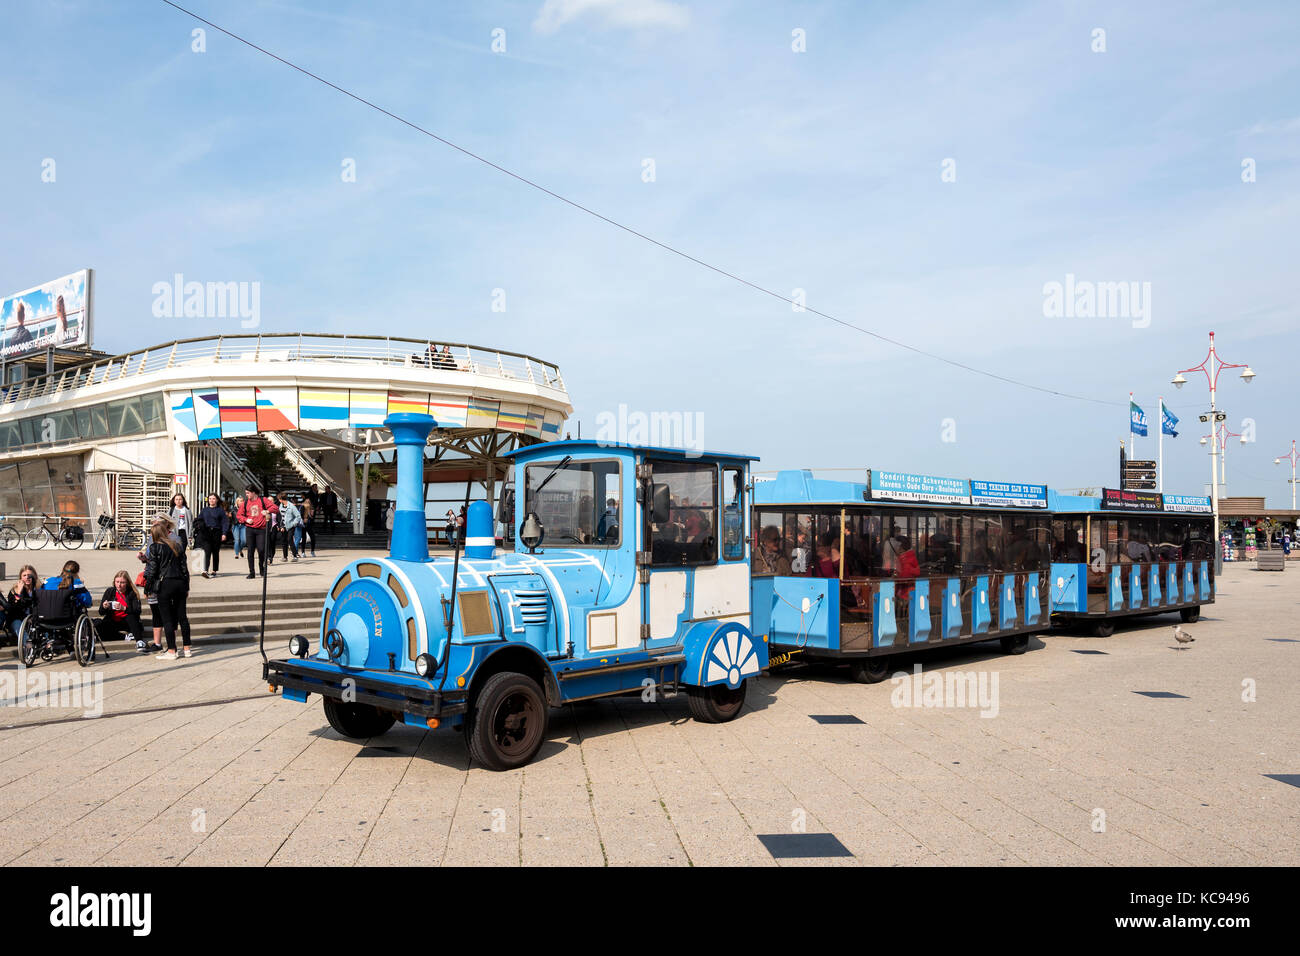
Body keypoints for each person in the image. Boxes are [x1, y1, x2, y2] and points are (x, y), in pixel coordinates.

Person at [144, 525, 191, 659]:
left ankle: (172, 650)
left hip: (165, 584)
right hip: (180, 582)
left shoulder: (155, 547)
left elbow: (153, 570)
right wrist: (187, 586)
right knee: (182, 616)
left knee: (167, 618)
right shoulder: (177, 546)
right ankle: (187, 648)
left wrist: (148, 588)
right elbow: (184, 568)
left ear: (154, 535)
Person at [97, 570, 147, 650]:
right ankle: (125, 637)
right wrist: (104, 607)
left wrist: (124, 608)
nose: (119, 585)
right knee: (101, 628)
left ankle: (139, 641)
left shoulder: (132, 593)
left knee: (131, 616)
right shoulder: (110, 591)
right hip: (114, 620)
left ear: (127, 583)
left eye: (122, 582)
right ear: (114, 582)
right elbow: (101, 612)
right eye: (117, 582)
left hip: (128, 622)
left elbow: (137, 611)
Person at [237, 487, 276, 578]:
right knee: (250, 550)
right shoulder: (245, 503)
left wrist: (267, 511)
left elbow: (275, 508)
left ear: (253, 492)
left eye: (248, 493)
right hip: (250, 529)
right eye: (246, 493)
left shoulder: (263, 500)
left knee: (261, 550)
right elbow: (239, 515)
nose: (246, 495)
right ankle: (252, 572)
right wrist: (246, 520)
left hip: (261, 529)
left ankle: (261, 568)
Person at [3, 565, 40, 644]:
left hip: (34, 618)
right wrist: (18, 594)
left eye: (30, 575)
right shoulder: (14, 591)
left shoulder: (39, 590)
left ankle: (47, 646)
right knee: (18, 625)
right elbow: (12, 609)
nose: (27, 577)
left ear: (34, 576)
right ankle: (28, 646)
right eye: (24, 575)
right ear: (21, 577)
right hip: (18, 619)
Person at [196, 493, 230, 578]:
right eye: (210, 499)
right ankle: (205, 570)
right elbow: (199, 520)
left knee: (215, 552)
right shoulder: (204, 510)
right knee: (207, 551)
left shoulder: (220, 510)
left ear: (217, 500)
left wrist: (224, 533)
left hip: (217, 532)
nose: (211, 500)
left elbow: (225, 522)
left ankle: (214, 570)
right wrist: (199, 526)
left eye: (213, 498)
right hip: (206, 533)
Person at [277, 493, 302, 561]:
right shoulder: (280, 505)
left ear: (281, 499)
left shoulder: (291, 506)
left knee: (290, 540)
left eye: (279, 499)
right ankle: (285, 557)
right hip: (283, 526)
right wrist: (281, 526)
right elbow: (280, 517)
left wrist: (293, 524)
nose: (279, 500)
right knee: (284, 541)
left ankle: (295, 556)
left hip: (290, 526)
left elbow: (298, 516)